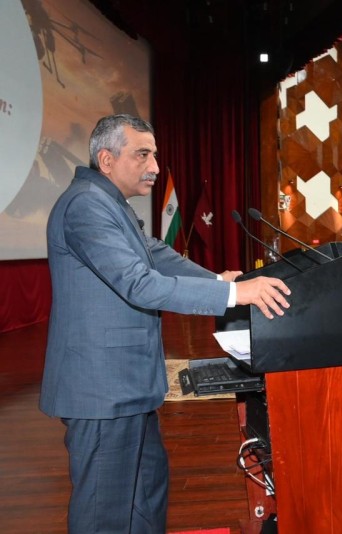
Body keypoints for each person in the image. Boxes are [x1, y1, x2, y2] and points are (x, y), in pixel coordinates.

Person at [40, 114, 292, 533]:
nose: (155, 167)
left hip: (128, 387)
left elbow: (155, 254)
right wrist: (235, 295)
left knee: (146, 494)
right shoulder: (86, 204)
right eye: (143, 155)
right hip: (101, 390)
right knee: (106, 512)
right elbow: (139, 284)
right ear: (106, 160)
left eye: (155, 155)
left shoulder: (108, 202)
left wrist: (219, 281)